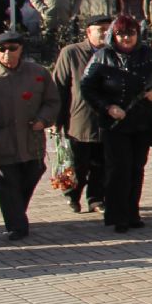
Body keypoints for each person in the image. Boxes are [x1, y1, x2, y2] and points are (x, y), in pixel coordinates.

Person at [81, 16, 152, 232]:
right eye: (121, 34)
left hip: (142, 122)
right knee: (118, 169)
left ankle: (132, 212)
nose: (126, 38)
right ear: (113, 35)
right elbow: (87, 87)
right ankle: (117, 215)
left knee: (136, 167)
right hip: (115, 123)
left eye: (131, 33)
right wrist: (107, 107)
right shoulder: (103, 56)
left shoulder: (149, 55)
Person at [0, 29, 59, 239]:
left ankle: (16, 212)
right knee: (7, 183)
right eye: (2, 49)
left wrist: (43, 119)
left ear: (21, 49)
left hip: (31, 139)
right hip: (3, 140)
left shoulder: (38, 73)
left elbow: (52, 102)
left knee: (32, 173)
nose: (7, 53)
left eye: (12, 48)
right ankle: (17, 225)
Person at [52, 15, 112, 213]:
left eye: (108, 29)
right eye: (100, 29)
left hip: (107, 118)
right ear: (88, 32)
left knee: (102, 163)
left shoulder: (113, 53)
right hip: (79, 120)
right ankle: (72, 195)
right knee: (79, 163)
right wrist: (56, 119)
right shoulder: (71, 53)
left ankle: (96, 198)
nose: (105, 33)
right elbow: (59, 87)